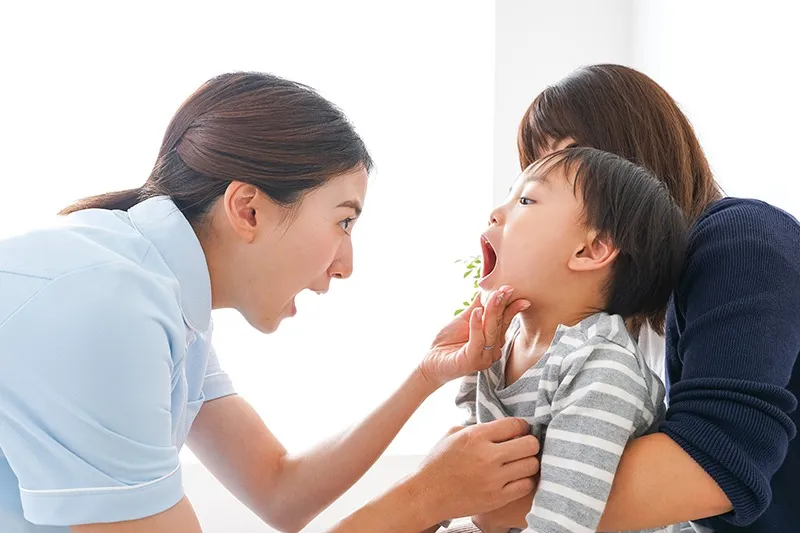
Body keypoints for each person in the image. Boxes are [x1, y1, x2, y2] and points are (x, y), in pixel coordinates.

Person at [0, 72, 539, 533]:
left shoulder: (158, 294)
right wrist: (428, 497)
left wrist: (425, 376)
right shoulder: (109, 308)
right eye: (343, 221)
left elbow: (280, 491)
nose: (345, 263)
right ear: (248, 210)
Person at [441, 65, 800, 533]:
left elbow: (713, 465)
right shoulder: (600, 318)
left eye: (569, 162)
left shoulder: (743, 240)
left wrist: (479, 502)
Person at [431, 147, 687, 533]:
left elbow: (561, 524)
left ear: (589, 249)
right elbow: (470, 481)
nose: (496, 213)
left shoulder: (601, 367)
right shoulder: (495, 349)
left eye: (525, 200)